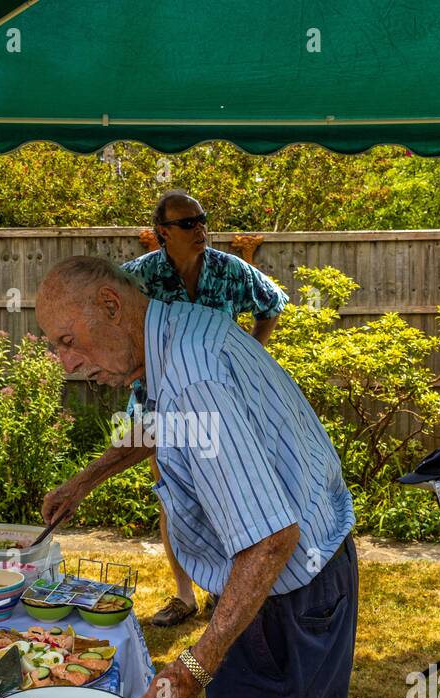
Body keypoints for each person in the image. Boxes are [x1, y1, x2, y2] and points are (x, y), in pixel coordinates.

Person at [37, 256, 356, 698]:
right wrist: (85, 480)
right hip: (281, 584)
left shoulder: (191, 376)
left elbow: (270, 539)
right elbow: (159, 425)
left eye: (67, 342)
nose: (66, 363)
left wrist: (192, 667)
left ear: (110, 306)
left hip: (285, 594)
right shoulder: (172, 335)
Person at [53, 191, 288, 629]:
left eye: (202, 219)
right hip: (155, 402)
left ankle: (223, 588)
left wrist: (253, 351)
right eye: (187, 223)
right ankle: (184, 595)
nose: (200, 229)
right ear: (162, 232)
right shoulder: (137, 278)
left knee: (225, 497)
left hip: (218, 405)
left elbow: (272, 304)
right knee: (173, 496)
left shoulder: (230, 270)